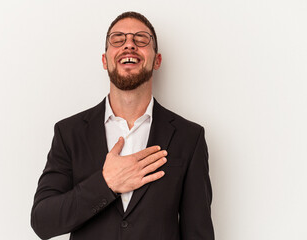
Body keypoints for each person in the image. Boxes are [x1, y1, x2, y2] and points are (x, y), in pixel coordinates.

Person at [31, 11, 214, 240]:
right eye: (118, 39)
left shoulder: (190, 137)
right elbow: (43, 221)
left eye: (141, 40)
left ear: (157, 60)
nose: (129, 45)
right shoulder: (69, 133)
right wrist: (106, 183)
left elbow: (198, 233)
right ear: (105, 59)